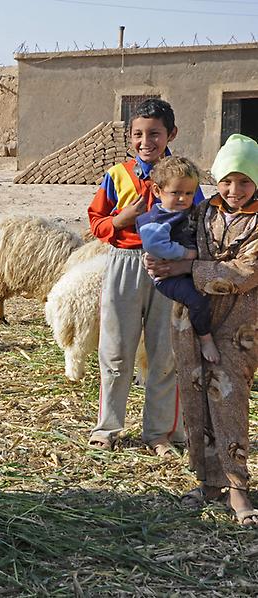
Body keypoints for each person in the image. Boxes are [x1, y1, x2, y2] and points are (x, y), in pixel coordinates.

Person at [146, 134, 258, 526]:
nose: (234, 189)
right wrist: (158, 261)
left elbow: (246, 273)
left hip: (240, 323)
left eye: (244, 181)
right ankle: (207, 480)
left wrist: (186, 269)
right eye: (227, 180)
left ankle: (237, 487)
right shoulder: (202, 211)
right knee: (195, 396)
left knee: (228, 398)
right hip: (190, 319)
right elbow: (169, 236)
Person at [86, 98, 204, 456]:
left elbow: (200, 227)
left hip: (169, 270)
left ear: (171, 134)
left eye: (154, 133)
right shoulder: (117, 175)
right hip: (124, 263)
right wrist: (122, 220)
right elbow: (96, 223)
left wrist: (185, 265)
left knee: (165, 352)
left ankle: (160, 432)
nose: (145, 141)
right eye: (138, 134)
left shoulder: (184, 178)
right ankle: (108, 427)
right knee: (116, 348)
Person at [135, 156, 219, 363]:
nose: (183, 198)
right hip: (167, 277)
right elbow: (155, 246)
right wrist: (186, 254)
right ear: (157, 191)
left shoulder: (190, 211)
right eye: (176, 193)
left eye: (189, 193)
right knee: (196, 300)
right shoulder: (156, 220)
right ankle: (205, 337)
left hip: (188, 269)